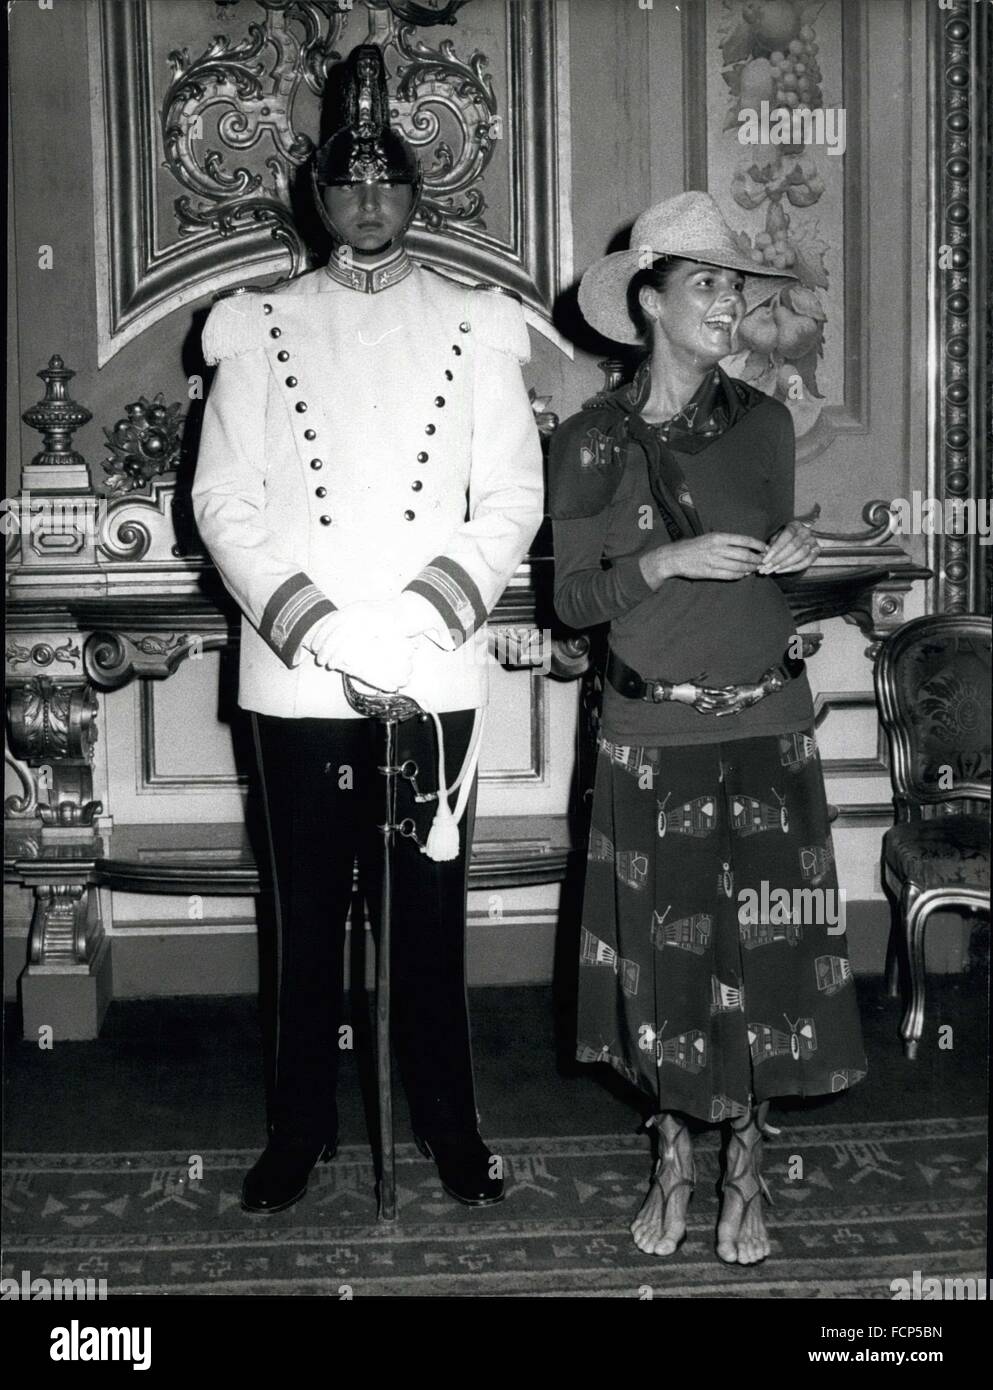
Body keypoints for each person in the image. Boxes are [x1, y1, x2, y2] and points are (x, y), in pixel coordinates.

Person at [192, 45, 543, 1214]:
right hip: (299, 676)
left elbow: (510, 502)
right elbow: (222, 503)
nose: (369, 201)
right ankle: (300, 1128)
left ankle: (448, 1122)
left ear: (415, 190)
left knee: (427, 920)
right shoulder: (256, 323)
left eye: (389, 181)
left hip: (432, 667)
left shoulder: (480, 324)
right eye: (346, 185)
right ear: (317, 197)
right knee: (303, 918)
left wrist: (415, 618)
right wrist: (326, 630)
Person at [550, 192, 867, 1264]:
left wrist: (797, 553)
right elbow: (573, 603)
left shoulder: (769, 421)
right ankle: (673, 1160)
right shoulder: (590, 441)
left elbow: (776, 559)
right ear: (649, 299)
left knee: (768, 963)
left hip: (771, 724)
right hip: (653, 735)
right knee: (667, 972)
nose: (730, 305)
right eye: (708, 285)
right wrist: (666, 560)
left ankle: (747, 1176)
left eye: (737, 285)